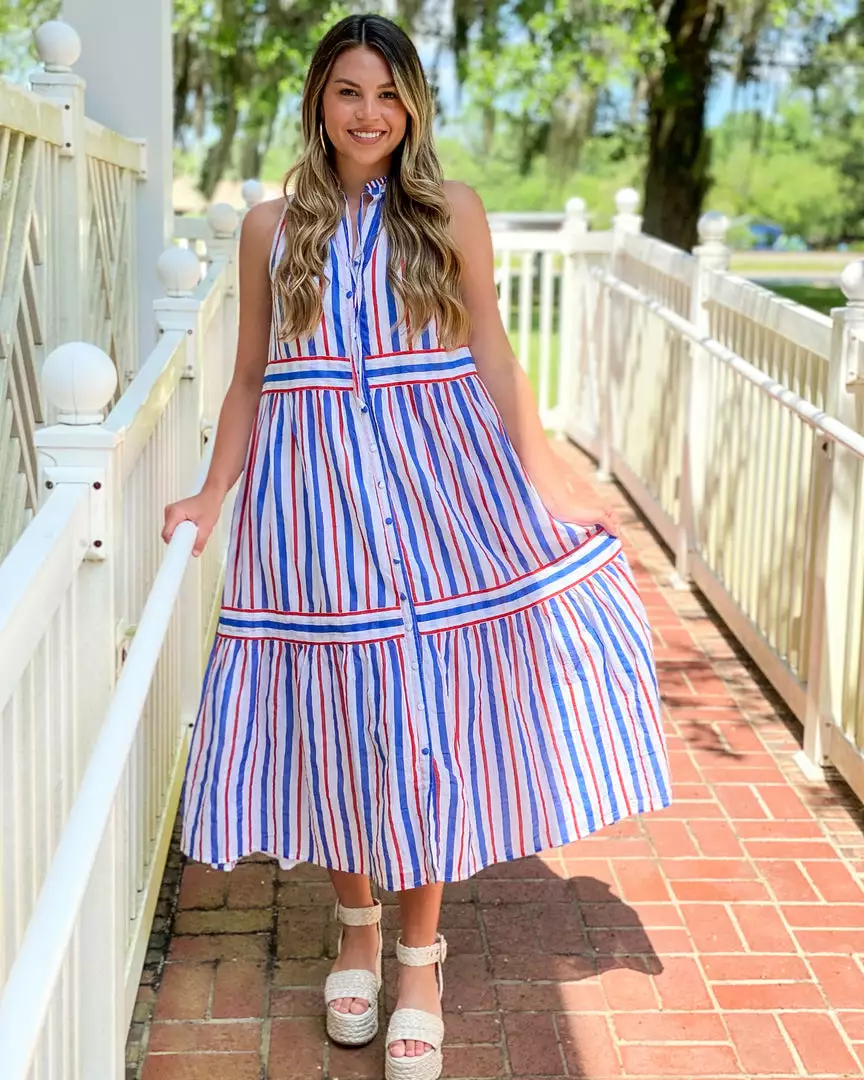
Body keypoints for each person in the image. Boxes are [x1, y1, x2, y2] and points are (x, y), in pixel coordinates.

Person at [162, 13, 671, 1080]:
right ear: (319, 100)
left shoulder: (450, 212)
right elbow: (251, 376)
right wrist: (213, 492)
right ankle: (355, 934)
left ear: (413, 106)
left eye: (389, 94)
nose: (370, 113)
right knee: (343, 718)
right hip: (312, 505)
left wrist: (544, 482)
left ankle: (421, 961)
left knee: (422, 720)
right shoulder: (269, 228)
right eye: (350, 91)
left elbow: (493, 352)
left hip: (436, 492)